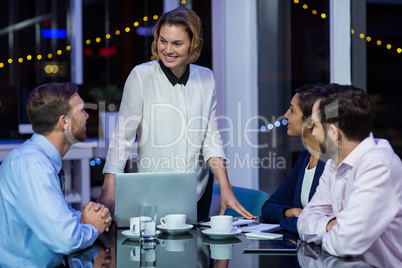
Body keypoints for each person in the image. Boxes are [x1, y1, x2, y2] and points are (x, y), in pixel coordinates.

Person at [97, 7, 254, 221]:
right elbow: (122, 138)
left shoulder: (206, 78)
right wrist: (109, 188)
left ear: (193, 44)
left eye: (177, 43)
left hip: (197, 192)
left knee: (197, 252)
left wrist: (226, 188)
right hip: (153, 193)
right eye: (163, 41)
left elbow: (211, 139)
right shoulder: (141, 76)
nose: (168, 50)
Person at [0, 82, 113, 267]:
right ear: (64, 122)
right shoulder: (32, 165)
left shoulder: (36, 159)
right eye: (82, 111)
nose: (86, 116)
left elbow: (56, 219)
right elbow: (65, 240)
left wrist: (91, 217)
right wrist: (92, 227)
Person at [298, 84, 402, 263]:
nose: (311, 132)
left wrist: (333, 228)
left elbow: (345, 243)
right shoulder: (334, 163)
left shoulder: (378, 165)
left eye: (314, 125)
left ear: (333, 132)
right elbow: (304, 221)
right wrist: (333, 225)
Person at [261, 84, 326, 233]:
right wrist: (290, 212)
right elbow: (269, 207)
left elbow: (319, 224)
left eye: (292, 110)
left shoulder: (332, 163)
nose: (285, 115)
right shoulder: (305, 159)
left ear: (310, 122)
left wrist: (290, 222)